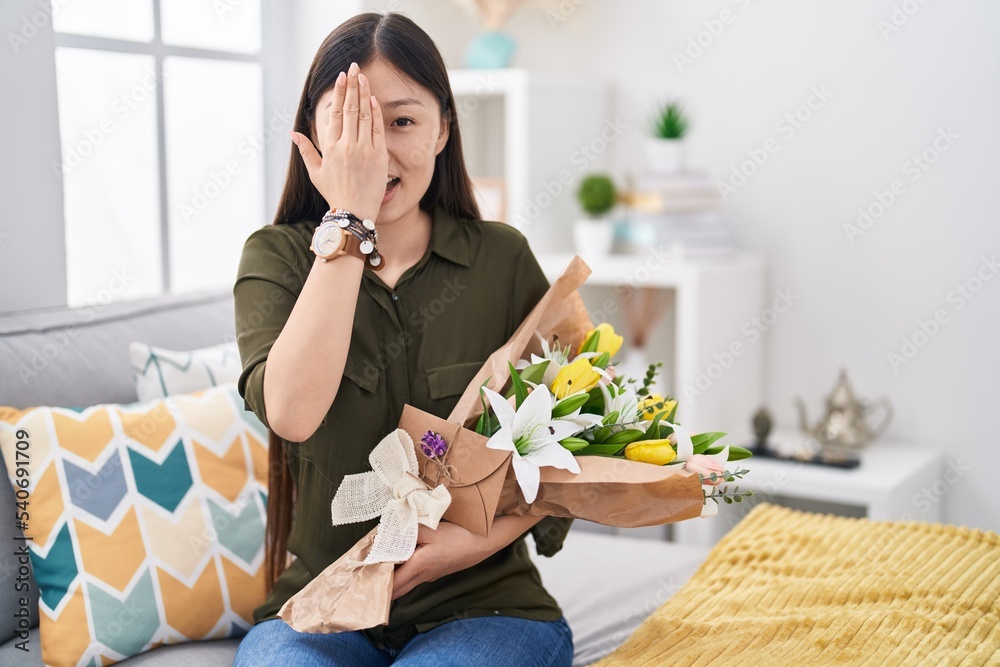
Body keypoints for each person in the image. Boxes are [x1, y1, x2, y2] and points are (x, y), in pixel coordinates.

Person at [232, 11, 574, 667]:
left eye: (402, 121)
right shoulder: (276, 258)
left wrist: (471, 544)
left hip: (486, 606)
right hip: (319, 613)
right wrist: (348, 223)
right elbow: (293, 414)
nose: (376, 152)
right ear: (312, 137)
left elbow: (567, 450)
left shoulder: (502, 260)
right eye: (351, 124)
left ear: (444, 128)